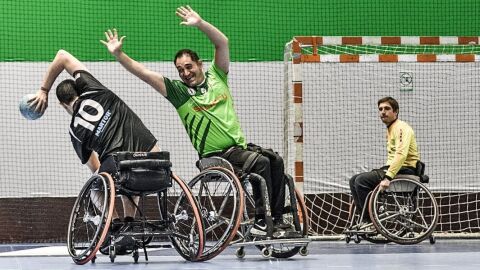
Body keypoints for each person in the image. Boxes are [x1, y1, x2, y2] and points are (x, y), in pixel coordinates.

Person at [100, 5, 290, 236]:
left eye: (188, 67)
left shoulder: (217, 76)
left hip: (239, 149)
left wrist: (200, 24)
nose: (185, 73)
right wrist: (119, 55)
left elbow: (222, 43)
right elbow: (143, 73)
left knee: (275, 160)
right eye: (180, 69)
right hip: (215, 157)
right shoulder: (178, 93)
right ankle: (262, 220)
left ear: (200, 64)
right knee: (260, 163)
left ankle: (278, 220)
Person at [29, 49, 160, 253]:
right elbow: (62, 55)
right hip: (154, 158)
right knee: (129, 177)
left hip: (119, 165)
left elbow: (96, 169)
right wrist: (43, 89)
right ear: (80, 90)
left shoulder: (75, 131)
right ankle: (130, 225)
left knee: (99, 186)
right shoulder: (94, 89)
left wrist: (42, 93)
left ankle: (115, 225)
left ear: (63, 104)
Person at [349, 96, 420, 221]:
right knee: (353, 180)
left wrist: (387, 177)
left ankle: (370, 220)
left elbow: (401, 154)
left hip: (406, 169)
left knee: (361, 181)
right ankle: (365, 218)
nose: (383, 112)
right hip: (397, 168)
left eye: (387, 109)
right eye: (380, 109)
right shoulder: (391, 128)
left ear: (396, 111)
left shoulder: (402, 127)